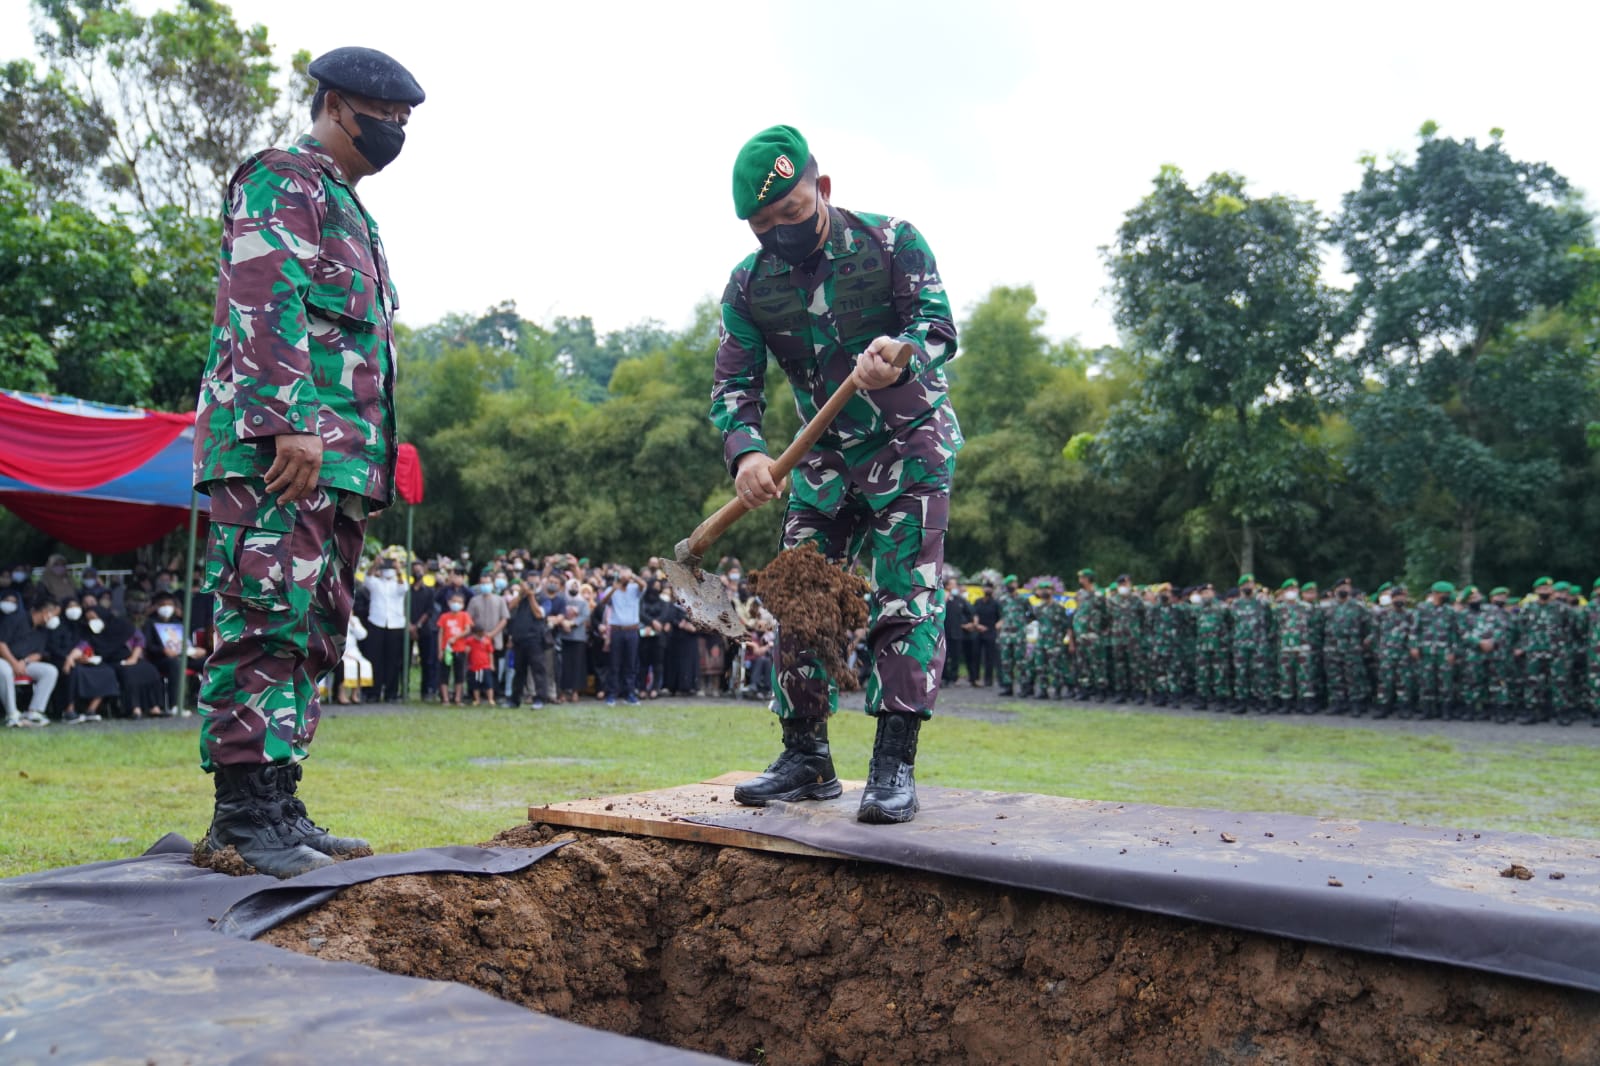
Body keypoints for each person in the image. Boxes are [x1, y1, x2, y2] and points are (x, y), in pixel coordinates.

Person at [190, 46, 424, 877]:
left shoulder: (351, 211)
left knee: (311, 630)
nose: (393, 132)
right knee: (263, 620)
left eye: (403, 123)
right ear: (331, 105)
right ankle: (241, 816)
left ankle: (279, 802)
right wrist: (288, 421)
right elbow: (266, 293)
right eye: (380, 117)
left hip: (336, 466)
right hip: (278, 451)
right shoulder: (282, 178)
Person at [712, 125, 960, 824]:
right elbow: (734, 385)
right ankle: (806, 756)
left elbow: (937, 326)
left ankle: (892, 766)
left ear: (821, 188)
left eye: (790, 214)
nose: (780, 233)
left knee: (905, 596)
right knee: (799, 594)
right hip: (821, 466)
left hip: (909, 450)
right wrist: (748, 454)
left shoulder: (891, 243)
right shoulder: (750, 284)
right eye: (765, 226)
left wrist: (903, 353)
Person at [0, 597, 60, 727]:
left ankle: (34, 712)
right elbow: (1, 644)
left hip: (23, 663)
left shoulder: (43, 630)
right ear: (45, 612)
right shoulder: (16, 618)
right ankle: (12, 715)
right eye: (54, 615)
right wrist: (14, 663)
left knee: (50, 671)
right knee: (5, 670)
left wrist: (24, 662)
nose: (55, 619)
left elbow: (38, 654)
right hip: (4, 660)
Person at [597, 567, 645, 706]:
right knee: (614, 663)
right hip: (617, 630)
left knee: (630, 663)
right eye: (622, 576)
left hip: (632, 630)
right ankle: (611, 693)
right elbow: (602, 602)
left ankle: (629, 693)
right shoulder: (612, 588)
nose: (624, 579)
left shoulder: (634, 588)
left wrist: (633, 577)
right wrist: (613, 589)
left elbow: (643, 586)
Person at [362, 557, 408, 702]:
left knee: (393, 660)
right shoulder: (376, 583)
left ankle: (391, 693)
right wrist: (375, 564)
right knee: (375, 658)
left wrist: (399, 569)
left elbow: (404, 587)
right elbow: (367, 578)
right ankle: (373, 692)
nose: (388, 571)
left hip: (395, 624)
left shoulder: (399, 583)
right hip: (377, 622)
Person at [506, 581, 549, 709]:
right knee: (518, 671)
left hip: (534, 640)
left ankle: (540, 699)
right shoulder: (520, 599)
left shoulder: (543, 599)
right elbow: (509, 608)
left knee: (538, 670)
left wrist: (531, 596)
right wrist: (521, 595)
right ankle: (514, 700)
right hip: (519, 639)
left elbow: (539, 614)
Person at [941, 577, 970, 686]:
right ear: (947, 586)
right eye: (953, 584)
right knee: (944, 656)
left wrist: (967, 623)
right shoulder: (942, 598)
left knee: (955, 657)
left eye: (956, 584)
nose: (955, 587)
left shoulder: (960, 600)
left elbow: (969, 612)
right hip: (944, 633)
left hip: (957, 633)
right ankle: (944, 678)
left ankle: (954, 677)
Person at [970, 583, 1000, 686]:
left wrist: (994, 627)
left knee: (989, 657)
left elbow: (1001, 618)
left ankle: (988, 679)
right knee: (975, 655)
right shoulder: (978, 602)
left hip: (990, 631)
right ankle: (975, 678)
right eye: (986, 587)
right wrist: (976, 625)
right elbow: (974, 614)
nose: (987, 589)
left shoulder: (996, 603)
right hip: (978, 631)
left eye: (989, 588)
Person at [462, 624, 495, 706]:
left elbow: (490, 653)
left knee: (488, 683)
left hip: (485, 666)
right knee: (476, 684)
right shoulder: (469, 641)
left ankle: (490, 699)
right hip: (474, 667)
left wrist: (491, 664)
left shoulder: (487, 640)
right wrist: (467, 650)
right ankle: (477, 699)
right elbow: (465, 650)